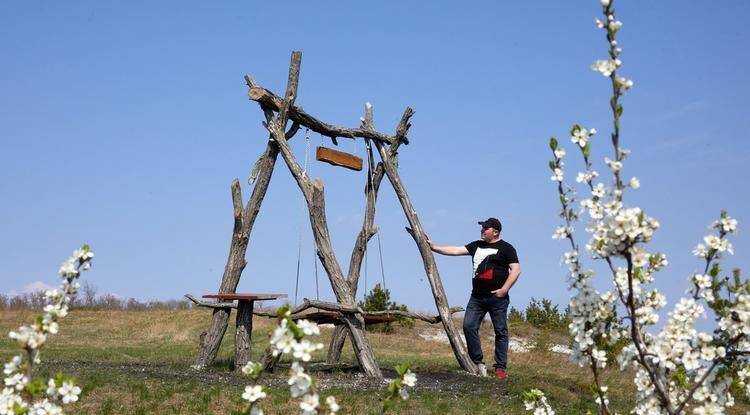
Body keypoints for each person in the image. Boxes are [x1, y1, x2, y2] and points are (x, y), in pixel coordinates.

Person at [426, 217, 520, 380]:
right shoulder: (476, 245)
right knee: (469, 326)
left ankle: (500, 368)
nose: (482, 230)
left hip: (497, 298)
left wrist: (504, 290)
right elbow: (455, 250)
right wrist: (433, 247)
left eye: (486, 228)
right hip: (477, 297)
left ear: (495, 231)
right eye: (482, 228)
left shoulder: (506, 248)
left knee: (501, 332)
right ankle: (477, 362)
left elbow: (516, 270)